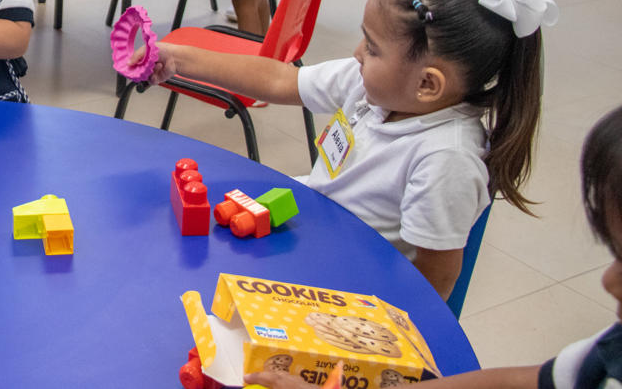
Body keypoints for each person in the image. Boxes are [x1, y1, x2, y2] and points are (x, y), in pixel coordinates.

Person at [141, 0, 557, 298]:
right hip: (309, 231)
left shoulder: (446, 160)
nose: (358, 54)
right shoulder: (376, 85)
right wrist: (178, 58)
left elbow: (436, 282)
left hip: (343, 285)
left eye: (372, 47)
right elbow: (279, 80)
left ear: (428, 84)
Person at [245, 104, 622, 389]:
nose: (607, 280)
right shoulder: (605, 351)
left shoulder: (449, 157)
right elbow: (531, 380)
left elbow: (437, 279)